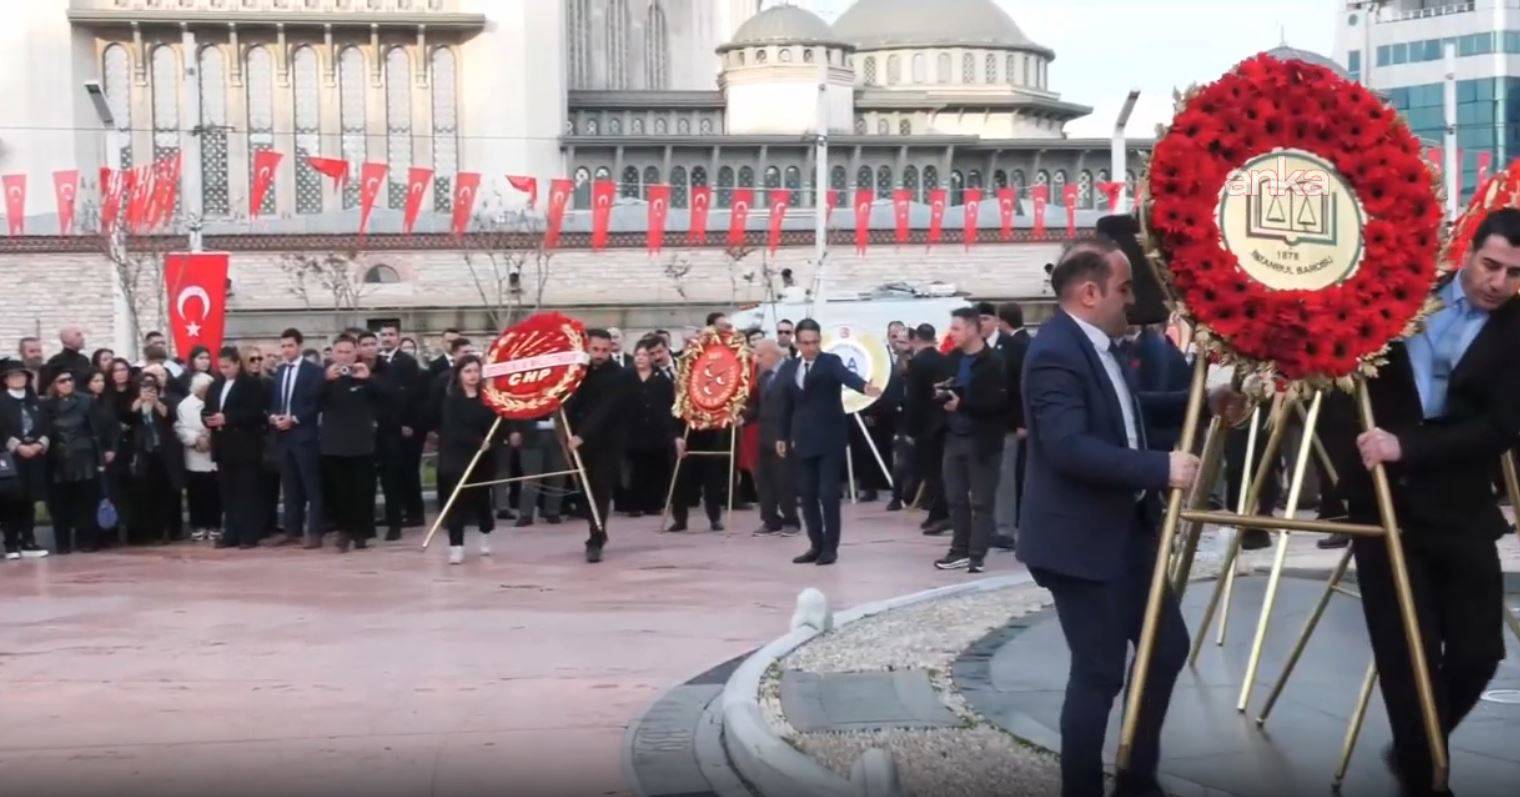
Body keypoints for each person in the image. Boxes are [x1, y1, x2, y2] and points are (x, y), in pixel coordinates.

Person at [1018, 242, 1239, 797]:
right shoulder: (1054, 353)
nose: (1133, 300)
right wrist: (1160, 467)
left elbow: (1128, 411)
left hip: (1126, 534)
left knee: (1165, 649)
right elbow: (1068, 447)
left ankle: (1137, 777)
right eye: (1125, 288)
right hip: (1079, 542)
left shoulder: (1099, 347)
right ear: (1090, 293)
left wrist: (1204, 401)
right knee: (1098, 672)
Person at [1321, 208, 1520, 795]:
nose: (1498, 283)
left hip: (1461, 507)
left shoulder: (1516, 331)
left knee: (1479, 651)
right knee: (1406, 653)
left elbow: (1501, 427)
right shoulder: (1402, 300)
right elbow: (1343, 380)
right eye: (1490, 265)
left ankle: (1414, 749)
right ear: (1469, 252)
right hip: (1384, 506)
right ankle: (1424, 773)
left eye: (1513, 274)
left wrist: (1407, 446)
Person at [774, 319, 882, 565]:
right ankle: (816, 544)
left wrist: (865, 387)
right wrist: (782, 435)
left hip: (830, 438)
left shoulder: (830, 362)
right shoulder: (790, 368)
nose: (811, 347)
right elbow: (785, 404)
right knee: (807, 495)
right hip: (803, 439)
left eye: (815, 342)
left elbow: (848, 376)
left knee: (828, 494)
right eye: (806, 343)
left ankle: (830, 547)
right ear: (797, 343)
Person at [933, 307, 1009, 574]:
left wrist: (963, 404)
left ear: (972, 329)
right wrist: (941, 394)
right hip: (954, 436)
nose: (951, 333)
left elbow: (997, 401)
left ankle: (976, 555)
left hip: (983, 439)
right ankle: (959, 551)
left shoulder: (994, 361)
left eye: (956, 328)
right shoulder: (952, 359)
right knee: (955, 497)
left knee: (981, 501)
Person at [565, 328, 635, 563]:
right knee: (586, 490)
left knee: (600, 488)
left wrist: (582, 435)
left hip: (607, 441)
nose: (600, 354)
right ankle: (597, 529)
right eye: (595, 349)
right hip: (579, 441)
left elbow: (606, 409)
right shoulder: (578, 371)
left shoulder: (620, 375)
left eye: (605, 350)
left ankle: (596, 538)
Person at [318, 334, 383, 553]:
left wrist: (368, 379)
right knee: (339, 492)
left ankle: (361, 532)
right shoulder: (325, 376)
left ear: (356, 353)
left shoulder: (363, 375)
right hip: (334, 445)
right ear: (333, 353)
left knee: (363, 491)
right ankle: (344, 531)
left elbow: (387, 397)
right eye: (340, 352)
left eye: (348, 352)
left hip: (361, 444)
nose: (344, 357)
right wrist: (326, 380)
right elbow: (311, 401)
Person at [435, 355, 500, 564]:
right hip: (457, 456)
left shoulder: (488, 398)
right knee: (456, 501)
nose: (473, 375)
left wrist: (490, 440)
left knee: (482, 499)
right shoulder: (452, 399)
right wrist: (475, 440)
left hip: (483, 457)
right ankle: (456, 546)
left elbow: (497, 424)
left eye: (476, 371)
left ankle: (485, 535)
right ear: (459, 374)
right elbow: (452, 428)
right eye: (468, 371)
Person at [203, 346, 266, 550]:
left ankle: (249, 535)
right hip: (222, 445)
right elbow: (207, 407)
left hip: (244, 445)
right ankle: (231, 533)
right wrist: (207, 419)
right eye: (221, 367)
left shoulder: (251, 384)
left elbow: (255, 413)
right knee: (227, 492)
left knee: (246, 492)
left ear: (237, 364)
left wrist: (228, 418)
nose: (224, 370)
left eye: (227, 366)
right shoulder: (215, 385)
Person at [268, 328, 326, 548]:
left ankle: (315, 531)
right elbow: (276, 400)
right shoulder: (280, 371)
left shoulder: (313, 371)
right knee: (290, 485)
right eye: (283, 346)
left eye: (290, 346)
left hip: (305, 436)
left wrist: (294, 418)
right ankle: (292, 530)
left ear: (299, 346)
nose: (286, 350)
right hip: (283, 437)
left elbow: (315, 403)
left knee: (311, 485)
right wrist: (274, 417)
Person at [43, 367, 111, 554]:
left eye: (69, 380)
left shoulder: (86, 401)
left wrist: (100, 459)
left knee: (86, 502)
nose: (67, 384)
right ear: (53, 385)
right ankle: (63, 543)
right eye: (62, 381)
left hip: (84, 456)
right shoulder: (46, 405)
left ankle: (87, 540)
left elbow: (96, 431)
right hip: (57, 459)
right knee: (60, 504)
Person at [987, 302, 1031, 550]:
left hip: (1010, 422)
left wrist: (1023, 421)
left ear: (999, 321)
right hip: (991, 423)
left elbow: (1023, 386)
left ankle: (1005, 528)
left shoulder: (1016, 346)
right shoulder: (983, 347)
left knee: (1007, 477)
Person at [126, 371, 184, 545]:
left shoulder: (164, 402)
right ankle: (147, 532)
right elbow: (129, 417)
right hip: (143, 453)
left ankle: (164, 531)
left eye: (152, 387)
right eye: (144, 387)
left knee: (164, 492)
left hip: (162, 453)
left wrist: (156, 401)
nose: (148, 391)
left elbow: (169, 417)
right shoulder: (134, 404)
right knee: (144, 492)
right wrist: (140, 401)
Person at [0, 358, 50, 559]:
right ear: (5, 380)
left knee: (29, 499)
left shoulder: (35, 401)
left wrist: (39, 444)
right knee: (10, 500)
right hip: (10, 458)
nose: (18, 379)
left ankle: (28, 541)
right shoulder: (2, 402)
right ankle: (11, 543)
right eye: (13, 376)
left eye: (21, 375)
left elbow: (47, 426)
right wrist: (18, 446)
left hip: (34, 456)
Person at [748, 339, 799, 535]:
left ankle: (790, 520)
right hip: (764, 436)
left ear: (772, 354)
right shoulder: (763, 378)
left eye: (760, 355)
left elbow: (796, 407)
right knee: (764, 480)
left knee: (784, 479)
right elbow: (757, 406)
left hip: (783, 435)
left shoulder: (791, 373)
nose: (757, 359)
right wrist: (743, 417)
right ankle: (770, 519)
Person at [905, 323, 950, 534]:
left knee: (931, 472)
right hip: (942, 420)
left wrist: (910, 429)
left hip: (925, 425)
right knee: (940, 470)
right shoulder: (943, 359)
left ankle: (938, 513)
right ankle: (937, 512)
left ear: (916, 339)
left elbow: (913, 398)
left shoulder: (917, 363)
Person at [623, 340, 675, 518]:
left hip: (656, 431)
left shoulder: (662, 379)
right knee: (634, 469)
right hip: (632, 430)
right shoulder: (626, 376)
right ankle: (633, 505)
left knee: (656, 468)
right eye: (638, 354)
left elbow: (668, 405)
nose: (641, 358)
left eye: (645, 355)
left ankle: (653, 504)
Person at [175, 372, 220, 543]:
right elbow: (180, 427)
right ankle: (198, 526)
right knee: (197, 492)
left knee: (214, 492)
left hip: (214, 453)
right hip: (195, 454)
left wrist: (211, 437)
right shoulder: (185, 405)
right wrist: (196, 439)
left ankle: (215, 526)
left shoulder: (216, 400)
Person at [41, 325, 93, 392]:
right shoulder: (56, 361)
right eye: (78, 335)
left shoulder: (84, 359)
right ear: (66, 339)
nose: (82, 338)